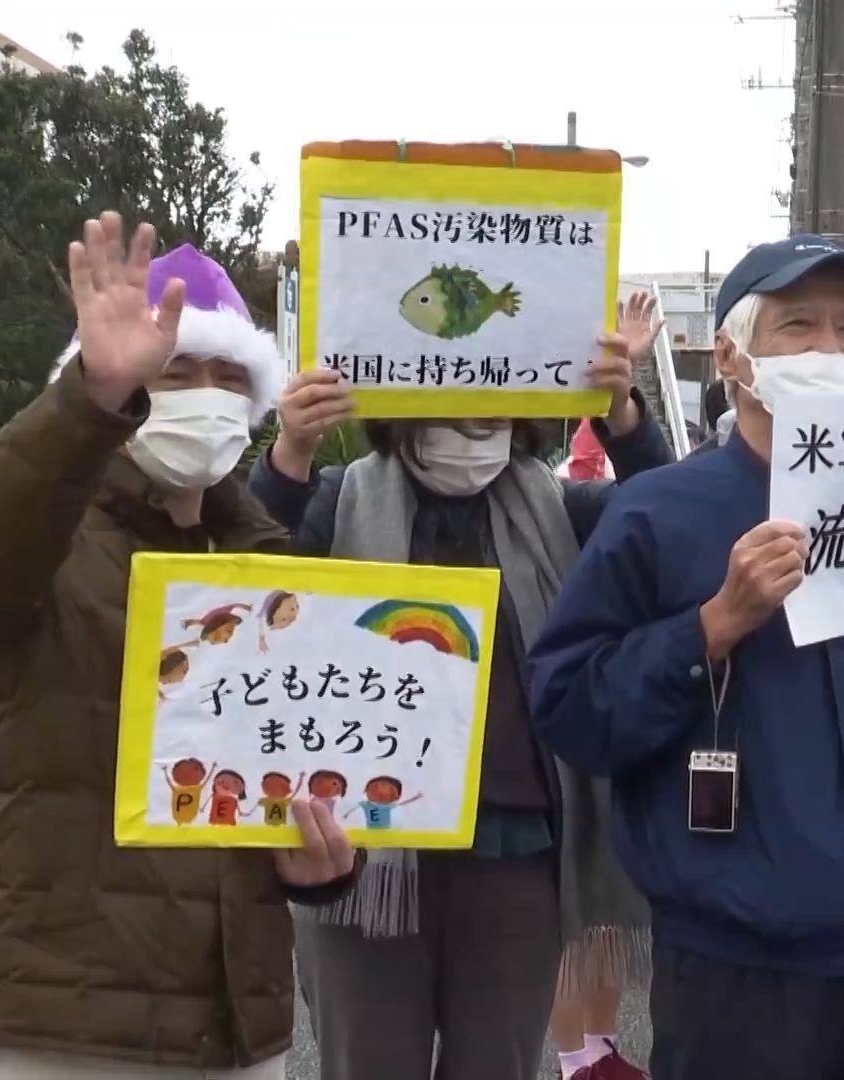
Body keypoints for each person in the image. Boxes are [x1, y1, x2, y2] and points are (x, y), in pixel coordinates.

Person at [524, 235, 844, 1080]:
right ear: (731, 358)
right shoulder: (659, 511)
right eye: (799, 326)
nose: (831, 350)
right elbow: (567, 706)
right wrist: (712, 625)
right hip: (730, 972)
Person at [0, 213, 358, 1079]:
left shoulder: (270, 570)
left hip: (238, 1026)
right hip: (69, 1029)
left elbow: (295, 765)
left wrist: (321, 863)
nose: (204, 393)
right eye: (175, 371)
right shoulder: (43, 547)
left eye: (230, 377)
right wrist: (87, 401)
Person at [248, 291, 671, 1080]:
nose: (474, 418)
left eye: (494, 401)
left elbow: (670, 523)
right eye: (449, 396)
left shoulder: (561, 509)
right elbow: (240, 575)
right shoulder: (339, 500)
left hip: (517, 855)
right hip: (361, 856)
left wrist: (623, 411)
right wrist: (290, 454)